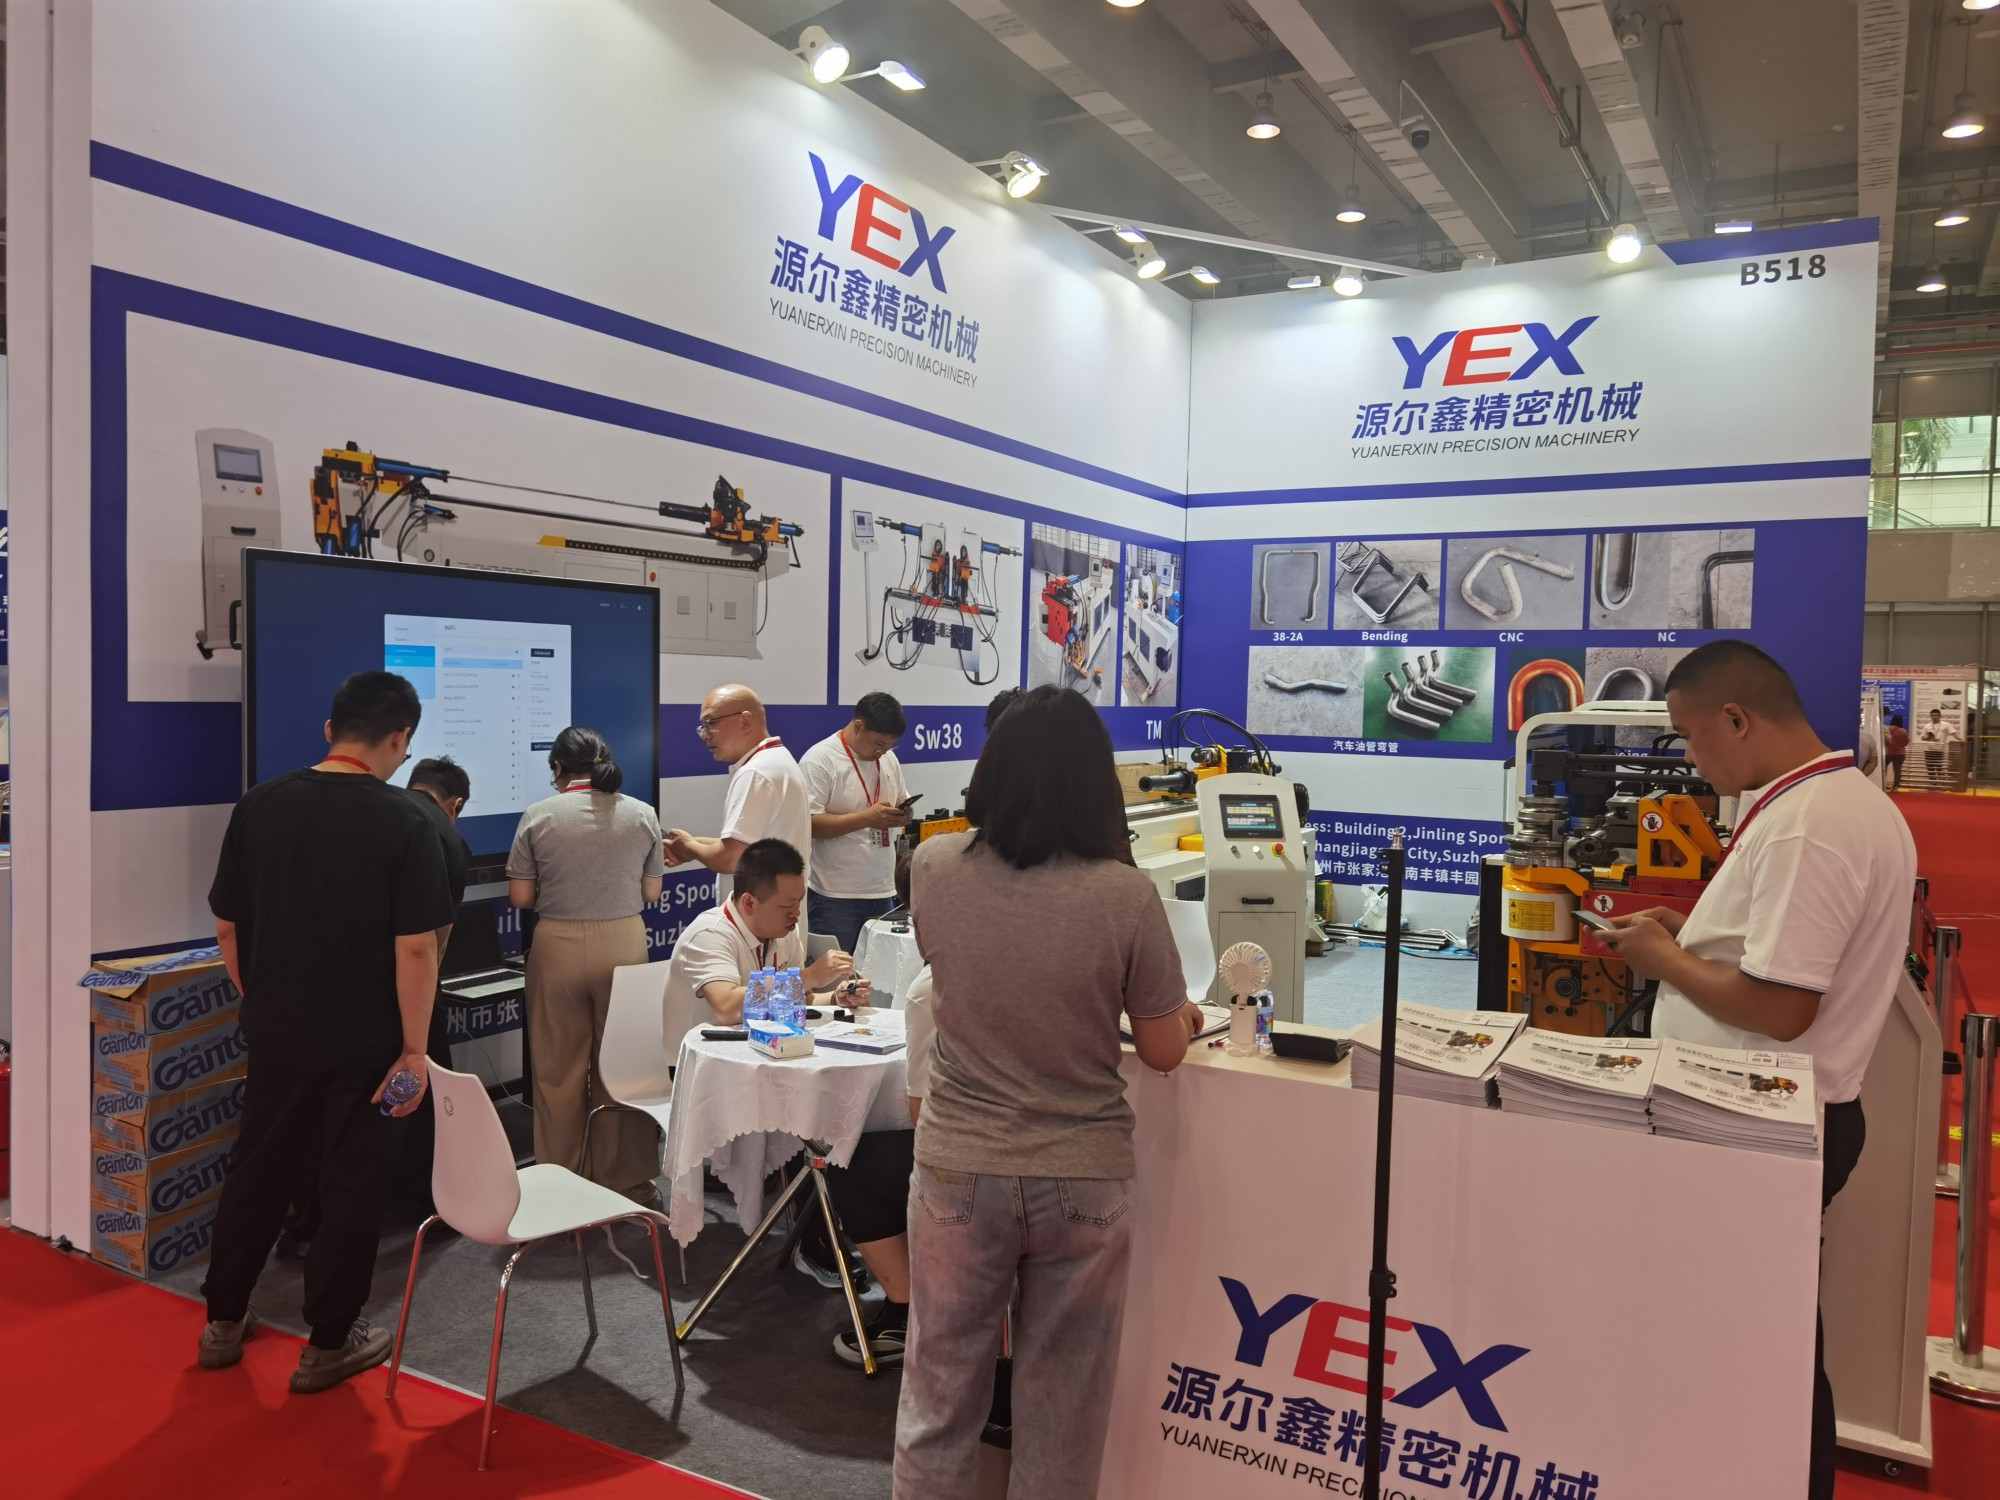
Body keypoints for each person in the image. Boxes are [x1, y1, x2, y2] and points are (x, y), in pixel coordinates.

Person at [1598, 641, 1915, 1500]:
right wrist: (1692, 936)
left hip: (1758, 1125)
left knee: (1759, 1350)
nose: (1692, 761)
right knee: (1766, 1337)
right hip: (1775, 1116)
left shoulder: (1810, 824)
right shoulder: (1836, 803)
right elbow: (1775, 959)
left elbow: (1781, 1007)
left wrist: (1665, 962)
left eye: (1691, 737)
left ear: (1736, 719)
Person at [893, 685, 1207, 1498]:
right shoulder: (1125, 894)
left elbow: (956, 975)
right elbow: (1164, 1049)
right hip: (1082, 1171)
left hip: (957, 1165)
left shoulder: (933, 868)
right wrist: (1184, 1012)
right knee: (1062, 1408)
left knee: (938, 1396)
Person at [198, 670, 454, 1392]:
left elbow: (227, 924)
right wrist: (415, 1049)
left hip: (277, 1029)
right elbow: (416, 948)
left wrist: (262, 996)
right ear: (400, 739)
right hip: (367, 1040)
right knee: (351, 1184)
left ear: (329, 730)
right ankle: (329, 1343)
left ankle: (222, 1320)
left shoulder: (260, 805)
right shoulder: (407, 821)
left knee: (258, 1169)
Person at [273, 754, 475, 1260]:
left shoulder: (367, 812)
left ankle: (306, 1225)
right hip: (402, 1001)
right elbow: (431, 943)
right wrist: (416, 1031)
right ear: (455, 805)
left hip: (318, 992)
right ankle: (429, 1208)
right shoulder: (443, 836)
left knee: (321, 1112)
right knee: (416, 1102)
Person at [662, 839, 873, 1300]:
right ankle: (817, 1240)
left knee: (837, 1109)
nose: (795, 915)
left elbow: (790, 997)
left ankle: (830, 1231)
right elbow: (725, 1006)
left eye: (799, 903)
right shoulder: (710, 934)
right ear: (748, 902)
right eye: (786, 906)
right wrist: (809, 978)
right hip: (706, 1073)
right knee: (813, 1117)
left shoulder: (780, 931)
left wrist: (834, 997)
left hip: (766, 1056)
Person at [508, 726, 665, 1194]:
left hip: (557, 944)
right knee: (624, 1065)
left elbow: (521, 898)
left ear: (558, 767)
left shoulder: (539, 816)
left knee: (557, 1071)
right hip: (624, 943)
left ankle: (562, 1181)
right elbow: (651, 892)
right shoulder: (642, 814)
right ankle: (624, 1178)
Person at [666, 683, 813, 905]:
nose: (705, 735)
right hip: (774, 912)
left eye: (711, 723)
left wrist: (689, 847)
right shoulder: (776, 761)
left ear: (744, 721)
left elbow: (732, 859)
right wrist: (690, 844)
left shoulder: (756, 772)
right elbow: (750, 845)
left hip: (759, 916)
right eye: (702, 726)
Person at [802, 692, 913, 954]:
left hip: (883, 891)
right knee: (839, 974)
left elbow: (901, 799)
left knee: (880, 974)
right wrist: (867, 818)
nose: (882, 752)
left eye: (890, 746)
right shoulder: (820, 760)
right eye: (878, 744)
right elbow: (809, 824)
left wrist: (903, 814)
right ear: (858, 726)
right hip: (835, 896)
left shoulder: (887, 759)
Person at [1917, 706, 1960, 787]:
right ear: (1930, 716)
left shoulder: (1946, 725)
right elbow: (1922, 737)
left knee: (1939, 767)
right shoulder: (1927, 726)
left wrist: (1960, 739)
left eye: (1936, 715)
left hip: (1940, 750)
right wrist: (1929, 738)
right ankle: (1933, 782)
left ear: (1940, 716)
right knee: (1930, 767)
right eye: (1933, 715)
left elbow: (1954, 733)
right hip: (1928, 749)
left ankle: (1940, 782)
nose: (1934, 717)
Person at [1883, 715, 1908, 789]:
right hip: (1900, 753)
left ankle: (1883, 782)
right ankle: (1896, 785)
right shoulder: (1903, 731)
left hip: (1889, 752)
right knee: (1897, 770)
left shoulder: (1888, 729)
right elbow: (1906, 742)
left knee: (1883, 767)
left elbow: (1886, 740)